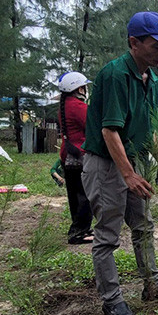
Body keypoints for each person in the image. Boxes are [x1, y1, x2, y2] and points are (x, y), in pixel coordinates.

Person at [82, 11, 158, 315]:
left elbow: (147, 129)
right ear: (134, 43)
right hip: (106, 163)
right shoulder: (115, 75)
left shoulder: (151, 80)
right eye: (157, 46)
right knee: (108, 233)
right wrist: (127, 174)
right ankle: (112, 300)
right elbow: (109, 130)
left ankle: (152, 284)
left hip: (134, 160)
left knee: (143, 225)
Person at [57, 71, 94, 245]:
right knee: (85, 194)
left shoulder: (64, 105)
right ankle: (79, 231)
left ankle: (80, 228)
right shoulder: (78, 106)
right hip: (80, 154)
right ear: (79, 88)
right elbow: (92, 126)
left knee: (75, 194)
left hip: (68, 154)